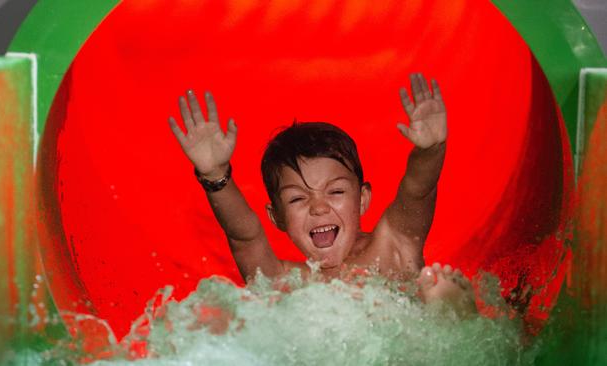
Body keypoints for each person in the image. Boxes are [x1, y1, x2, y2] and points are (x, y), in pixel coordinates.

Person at [168, 73, 474, 312]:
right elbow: (244, 236)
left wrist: (431, 149)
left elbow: (418, 190)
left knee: (432, 291)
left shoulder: (393, 245)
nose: (318, 207)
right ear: (277, 217)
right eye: (298, 198)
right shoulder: (282, 281)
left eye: (335, 191)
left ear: (363, 198)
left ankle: (451, 314)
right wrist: (214, 175)